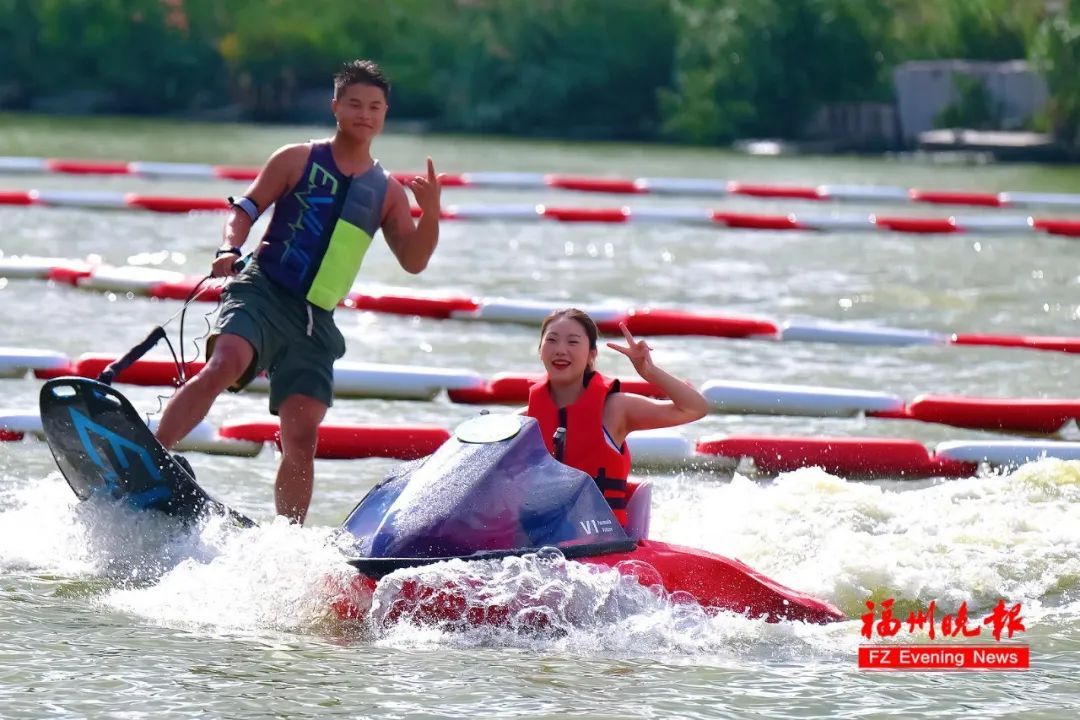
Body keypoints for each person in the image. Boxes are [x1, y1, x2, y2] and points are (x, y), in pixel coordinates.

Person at [154, 59, 442, 525]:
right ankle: (153, 457)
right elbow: (244, 208)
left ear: (385, 114)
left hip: (315, 321)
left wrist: (430, 213)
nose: (364, 114)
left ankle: (287, 537)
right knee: (224, 363)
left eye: (374, 107)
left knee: (302, 437)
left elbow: (414, 260)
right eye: (354, 104)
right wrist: (229, 247)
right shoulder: (297, 158)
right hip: (263, 289)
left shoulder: (387, 191)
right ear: (335, 107)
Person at [525, 308, 708, 522]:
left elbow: (695, 409)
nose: (560, 350)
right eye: (552, 340)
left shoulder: (616, 410)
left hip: (603, 541)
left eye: (573, 342)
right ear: (540, 350)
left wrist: (650, 372)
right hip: (539, 535)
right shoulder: (526, 419)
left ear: (591, 354)